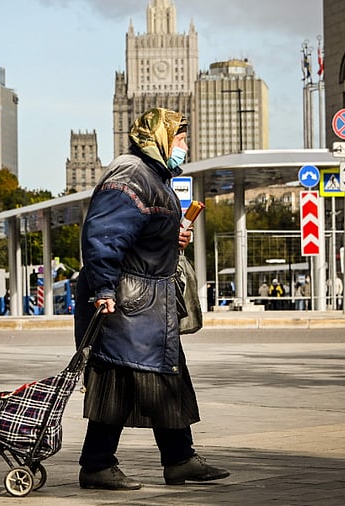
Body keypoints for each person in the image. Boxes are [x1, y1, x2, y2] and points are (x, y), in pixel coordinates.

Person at [73, 108, 229, 490]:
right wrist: (104, 290)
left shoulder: (153, 176)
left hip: (147, 304)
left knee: (164, 379)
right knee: (122, 379)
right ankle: (98, 464)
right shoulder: (130, 176)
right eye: (180, 139)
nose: (185, 147)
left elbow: (140, 232)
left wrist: (172, 236)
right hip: (129, 303)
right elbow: (104, 237)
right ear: (157, 139)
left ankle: (179, 459)